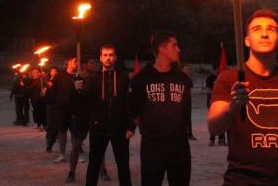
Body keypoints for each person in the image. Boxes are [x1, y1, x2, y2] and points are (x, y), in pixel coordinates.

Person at [208, 9, 278, 186]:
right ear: (247, 41)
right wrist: (231, 106)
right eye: (257, 29)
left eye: (271, 29)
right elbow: (214, 128)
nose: (264, 34)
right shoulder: (228, 79)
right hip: (241, 180)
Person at [129, 31, 192, 186]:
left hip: (179, 145)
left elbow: (186, 110)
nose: (179, 50)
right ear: (162, 49)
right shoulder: (141, 79)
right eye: (174, 45)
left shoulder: (183, 79)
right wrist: (150, 128)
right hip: (152, 146)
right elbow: (133, 109)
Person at [76, 45, 133, 186]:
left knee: (123, 165)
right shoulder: (93, 78)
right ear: (100, 58)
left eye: (111, 55)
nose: (108, 58)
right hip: (98, 128)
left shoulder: (124, 77)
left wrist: (131, 126)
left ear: (116, 58)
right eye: (105, 55)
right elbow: (84, 103)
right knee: (94, 164)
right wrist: (78, 92)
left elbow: (130, 103)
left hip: (120, 129)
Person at [47, 58, 77, 163]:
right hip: (61, 109)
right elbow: (53, 91)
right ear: (68, 62)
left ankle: (76, 154)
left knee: (75, 134)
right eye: (74, 61)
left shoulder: (79, 76)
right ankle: (62, 154)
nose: (76, 63)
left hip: (75, 110)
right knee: (62, 132)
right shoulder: (59, 76)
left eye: (78, 61)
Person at [205, 69, 226, 146]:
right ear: (216, 68)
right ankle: (212, 139)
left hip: (221, 102)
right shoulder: (210, 78)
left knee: (222, 120)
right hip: (212, 102)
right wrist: (216, 92)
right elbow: (208, 90)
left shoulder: (222, 78)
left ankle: (221, 139)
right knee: (213, 121)